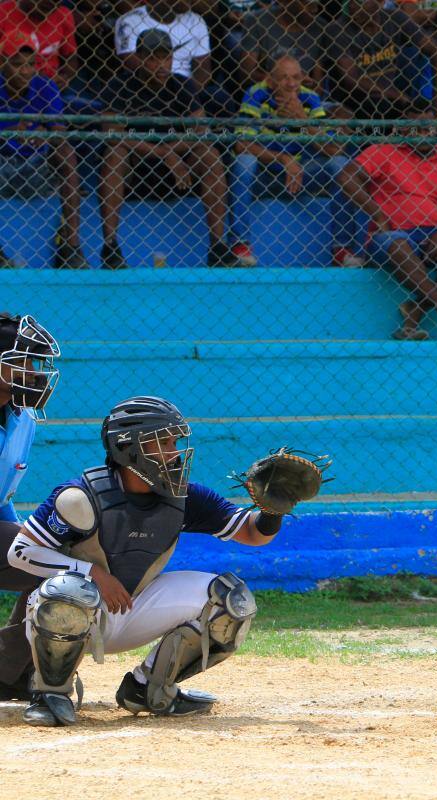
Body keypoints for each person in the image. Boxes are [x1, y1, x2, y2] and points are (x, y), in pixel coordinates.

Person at [0, 396, 307, 726]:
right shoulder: (80, 496)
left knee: (231, 601)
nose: (174, 451)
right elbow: (21, 552)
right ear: (127, 447)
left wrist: (272, 513)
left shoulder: (186, 496)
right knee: (69, 590)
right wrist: (92, 573)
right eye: (162, 441)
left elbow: (251, 533)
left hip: (130, 609)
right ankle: (51, 693)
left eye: (175, 441)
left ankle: (148, 688)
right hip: (70, 615)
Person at [337, 98, 437, 341]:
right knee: (397, 243)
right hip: (393, 236)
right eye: (414, 125)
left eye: (427, 126)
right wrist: (378, 214)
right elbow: (347, 177)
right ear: (402, 127)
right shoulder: (383, 150)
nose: (422, 131)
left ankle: (417, 309)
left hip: (436, 234)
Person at [97, 29, 239, 269]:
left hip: (179, 168)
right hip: (138, 164)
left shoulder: (181, 85)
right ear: (140, 58)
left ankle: (218, 246)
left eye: (166, 58)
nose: (161, 65)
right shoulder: (120, 85)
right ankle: (110, 247)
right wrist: (163, 153)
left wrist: (171, 152)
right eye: (153, 58)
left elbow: (200, 130)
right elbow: (112, 134)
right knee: (114, 154)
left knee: (209, 154)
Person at [230, 54, 357, 268]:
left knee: (342, 166)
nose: (291, 85)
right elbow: (242, 144)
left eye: (296, 78)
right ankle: (240, 245)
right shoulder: (256, 94)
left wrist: (303, 120)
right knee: (244, 162)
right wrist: (283, 158)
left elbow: (333, 149)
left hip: (300, 175)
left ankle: (342, 249)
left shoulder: (309, 98)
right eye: (283, 78)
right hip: (264, 176)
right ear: (270, 79)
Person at [0, 313, 59, 701]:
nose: (35, 373)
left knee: (57, 565)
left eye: (36, 363)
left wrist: (25, 542)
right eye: (23, 362)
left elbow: (3, 499)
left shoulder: (24, 420)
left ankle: (9, 670)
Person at [0, 30, 85, 268]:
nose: (25, 71)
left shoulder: (45, 85)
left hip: (38, 167)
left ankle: (71, 245)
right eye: (17, 64)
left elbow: (59, 130)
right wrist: (9, 132)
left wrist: (43, 136)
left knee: (65, 150)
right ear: (2, 63)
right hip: (3, 164)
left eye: (30, 64)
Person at [114, 0, 232, 115]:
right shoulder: (129, 21)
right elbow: (133, 65)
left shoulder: (196, 20)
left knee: (220, 97)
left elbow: (203, 72)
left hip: (188, 89)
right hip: (145, 88)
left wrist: (185, 94)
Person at [324, 0, 434, 122]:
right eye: (350, 1)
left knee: (423, 113)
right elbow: (352, 80)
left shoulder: (395, 18)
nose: (352, 6)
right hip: (354, 103)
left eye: (360, 2)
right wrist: (397, 95)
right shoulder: (337, 29)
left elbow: (436, 51)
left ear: (380, 2)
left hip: (393, 101)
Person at [239, 0, 326, 88]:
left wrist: (309, 99)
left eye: (316, 2)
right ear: (285, 2)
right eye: (307, 2)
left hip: (303, 95)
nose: (315, 9)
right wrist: (287, 81)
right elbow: (246, 73)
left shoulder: (320, 27)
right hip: (264, 93)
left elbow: (318, 82)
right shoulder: (257, 20)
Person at [0, 0, 77, 87]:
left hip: (49, 84)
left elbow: (71, 57)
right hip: (9, 83)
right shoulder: (3, 12)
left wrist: (63, 79)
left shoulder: (63, 15)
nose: (51, 3)